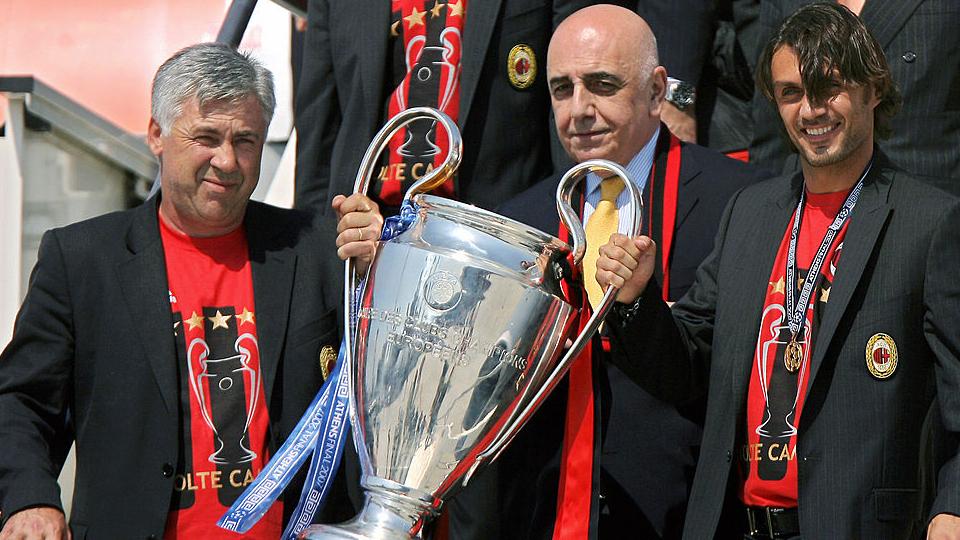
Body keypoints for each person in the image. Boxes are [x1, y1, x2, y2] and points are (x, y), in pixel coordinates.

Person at [596, 4, 960, 538]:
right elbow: (687, 368)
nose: (811, 110)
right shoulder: (749, 213)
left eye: (828, 88)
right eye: (791, 93)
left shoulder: (932, 222)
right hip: (737, 524)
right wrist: (637, 300)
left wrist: (952, 509)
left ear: (873, 90)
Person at [0, 43, 380, 539]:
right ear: (156, 134)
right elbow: (22, 402)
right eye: (206, 137)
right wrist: (29, 500)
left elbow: (391, 376)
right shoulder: (82, 260)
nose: (227, 160)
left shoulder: (320, 250)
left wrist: (381, 267)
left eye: (245, 141)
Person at [483, 5, 760, 539]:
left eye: (602, 85)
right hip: (543, 514)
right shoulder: (518, 221)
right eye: (562, 89)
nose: (578, 109)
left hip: (688, 518)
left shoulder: (742, 201)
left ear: (658, 92)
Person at [293, 0, 597, 219]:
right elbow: (320, 131)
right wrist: (316, 254)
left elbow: (570, 110)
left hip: (501, 238)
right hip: (370, 235)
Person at [750, 0, 960, 192]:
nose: (811, 110)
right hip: (809, 195)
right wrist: (766, 208)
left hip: (926, 195)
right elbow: (770, 122)